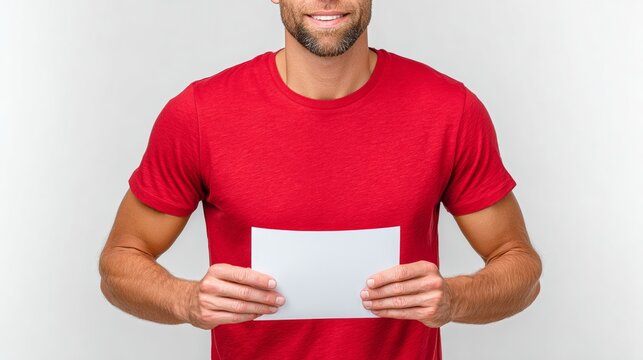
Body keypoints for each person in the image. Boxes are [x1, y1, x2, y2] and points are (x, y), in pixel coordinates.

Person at [98, 0, 542, 359]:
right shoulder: (199, 114)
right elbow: (119, 262)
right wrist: (185, 300)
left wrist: (454, 299)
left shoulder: (449, 110)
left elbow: (520, 266)